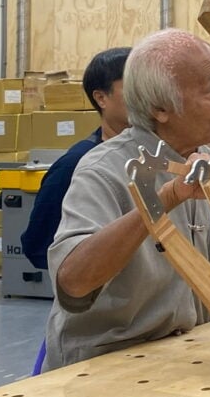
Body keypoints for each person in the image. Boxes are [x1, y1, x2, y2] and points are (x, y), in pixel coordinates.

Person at [43, 29, 210, 371]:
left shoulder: (204, 162)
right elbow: (73, 282)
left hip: (186, 357)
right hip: (107, 367)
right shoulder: (103, 170)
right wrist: (165, 199)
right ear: (160, 108)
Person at [20, 47, 132, 270]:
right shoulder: (76, 164)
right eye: (133, 87)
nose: (147, 96)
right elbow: (38, 245)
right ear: (101, 98)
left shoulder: (156, 155)